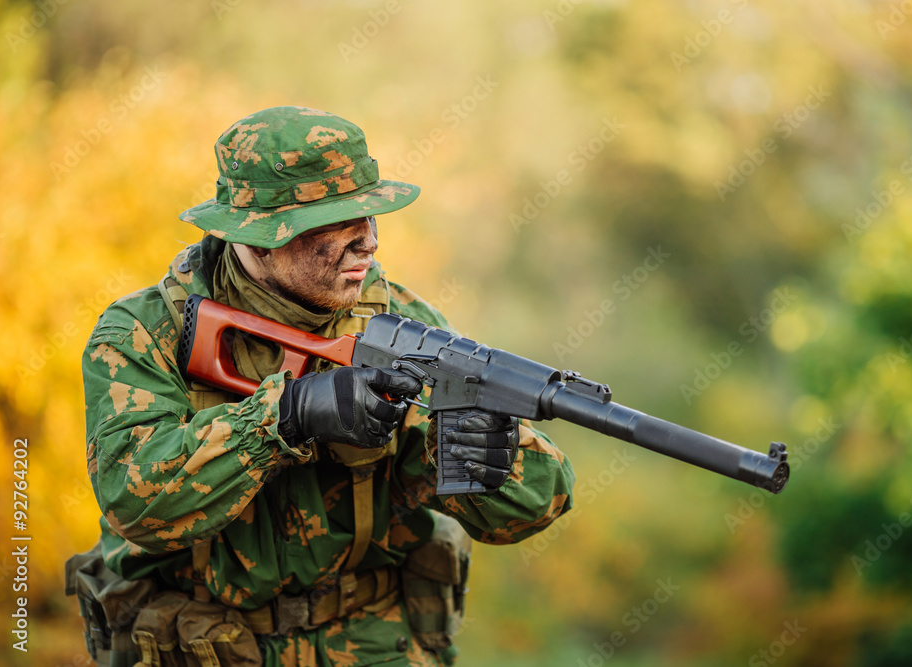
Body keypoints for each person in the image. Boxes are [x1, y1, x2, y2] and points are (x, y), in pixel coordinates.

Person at [71, 106, 575, 666]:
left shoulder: (404, 325)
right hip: (200, 647)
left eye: (371, 217)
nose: (369, 243)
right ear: (256, 237)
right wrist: (286, 417)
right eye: (340, 222)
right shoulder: (145, 333)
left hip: (368, 644)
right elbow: (135, 505)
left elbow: (530, 510)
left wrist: (476, 448)